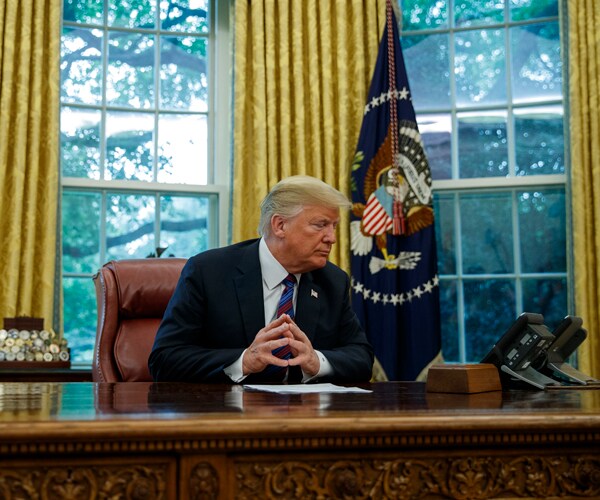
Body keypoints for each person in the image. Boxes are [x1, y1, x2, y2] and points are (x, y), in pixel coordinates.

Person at [148, 175, 374, 384]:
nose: (332, 238)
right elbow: (165, 359)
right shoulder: (208, 272)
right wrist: (243, 361)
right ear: (280, 225)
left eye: (334, 226)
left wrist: (317, 362)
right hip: (226, 415)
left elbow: (361, 357)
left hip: (304, 418)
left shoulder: (332, 281)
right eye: (320, 225)